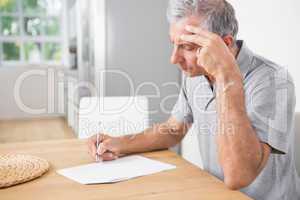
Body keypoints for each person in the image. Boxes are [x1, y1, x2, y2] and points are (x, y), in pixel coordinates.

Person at [87, 0, 300, 199]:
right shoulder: (197, 74)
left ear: (224, 45)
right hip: (216, 193)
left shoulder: (273, 80)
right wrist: (120, 143)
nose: (174, 59)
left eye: (187, 47)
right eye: (174, 44)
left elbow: (238, 176)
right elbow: (173, 130)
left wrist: (226, 76)